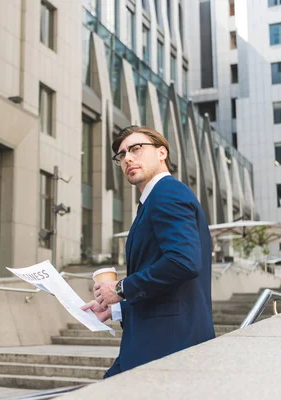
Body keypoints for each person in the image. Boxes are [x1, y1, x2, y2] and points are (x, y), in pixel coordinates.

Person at [81, 125, 215, 378]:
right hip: (153, 340)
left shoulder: (168, 193)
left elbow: (183, 263)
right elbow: (168, 285)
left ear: (162, 152)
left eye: (136, 149)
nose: (128, 158)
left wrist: (120, 289)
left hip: (169, 345)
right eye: (122, 155)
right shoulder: (152, 201)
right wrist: (117, 308)